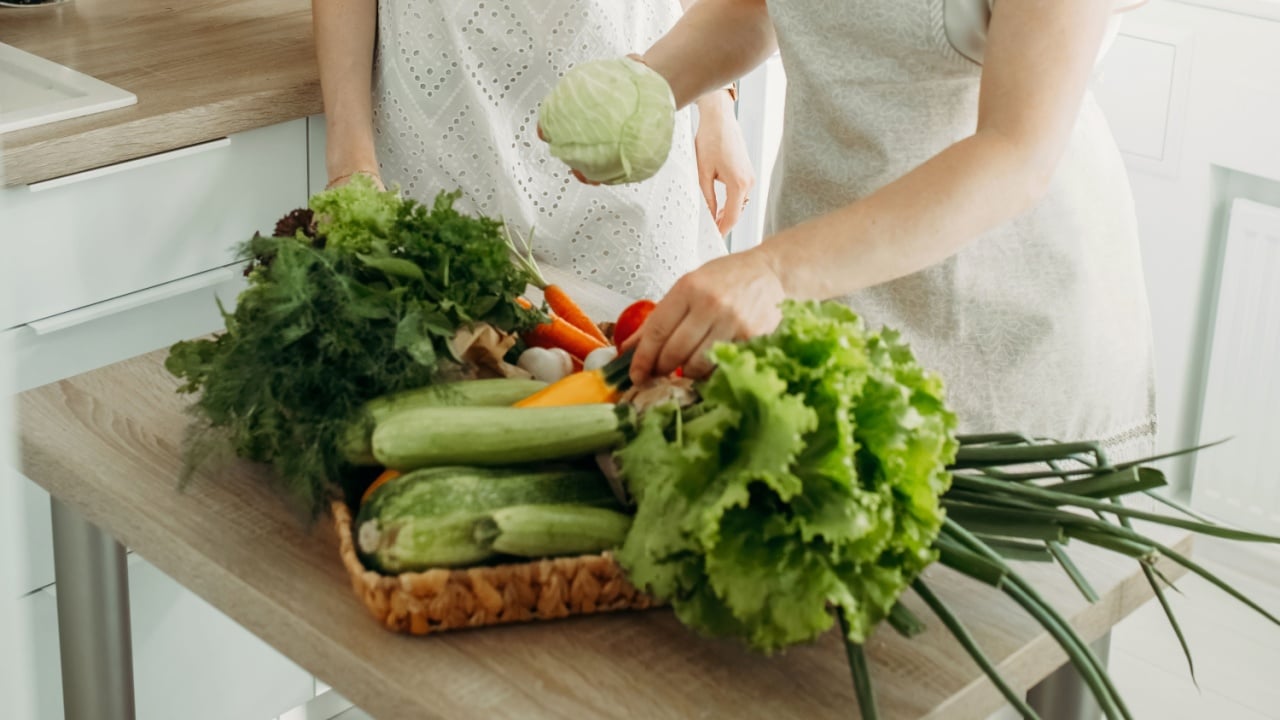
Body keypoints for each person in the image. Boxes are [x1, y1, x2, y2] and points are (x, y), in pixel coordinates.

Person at [605, 0, 1157, 458]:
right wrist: (645, 87)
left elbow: (1017, 153)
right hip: (828, 307)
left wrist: (773, 270)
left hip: (999, 340)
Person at [312, 0, 755, 301]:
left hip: (622, 94)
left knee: (640, 377)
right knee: (455, 373)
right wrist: (351, 163)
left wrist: (716, 104)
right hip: (445, 123)